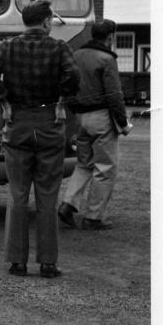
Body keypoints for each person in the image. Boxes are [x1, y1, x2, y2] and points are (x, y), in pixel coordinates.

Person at [0, 0, 80, 277]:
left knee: (17, 194)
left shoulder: (8, 47)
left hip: (17, 121)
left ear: (25, 21)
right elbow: (73, 75)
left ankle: (17, 261)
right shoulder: (59, 47)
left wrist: (5, 102)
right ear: (47, 21)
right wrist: (61, 100)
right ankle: (48, 262)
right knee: (48, 195)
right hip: (50, 121)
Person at [60, 19, 131, 230]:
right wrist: (122, 122)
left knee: (84, 164)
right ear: (110, 37)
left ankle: (67, 205)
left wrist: (75, 111)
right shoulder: (107, 59)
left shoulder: (76, 55)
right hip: (101, 118)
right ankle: (93, 217)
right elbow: (114, 95)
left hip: (81, 118)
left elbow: (67, 88)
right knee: (105, 168)